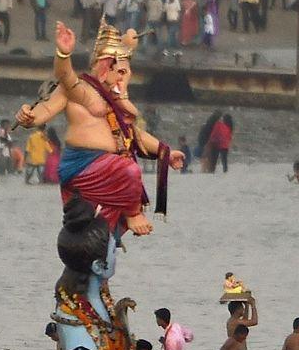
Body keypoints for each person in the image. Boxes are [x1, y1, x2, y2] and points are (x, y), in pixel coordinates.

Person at [15, 21, 185, 237]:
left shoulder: (114, 101)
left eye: (126, 73)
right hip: (83, 165)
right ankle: (133, 213)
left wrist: (165, 151)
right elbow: (46, 106)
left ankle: (101, 261)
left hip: (109, 173)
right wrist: (63, 54)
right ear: (104, 66)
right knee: (130, 170)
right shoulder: (76, 89)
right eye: (120, 71)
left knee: (105, 240)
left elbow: (133, 134)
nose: (123, 78)